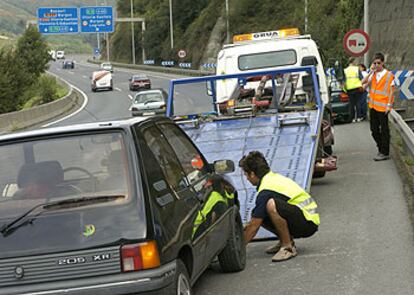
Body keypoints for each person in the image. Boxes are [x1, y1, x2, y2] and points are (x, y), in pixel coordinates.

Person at [240, 151, 320, 262]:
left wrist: (238, 249)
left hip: (308, 223)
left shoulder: (266, 190)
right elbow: (255, 220)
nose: (247, 179)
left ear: (252, 174)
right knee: (258, 211)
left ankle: (288, 247)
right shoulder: (271, 178)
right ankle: (285, 240)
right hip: (304, 217)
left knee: (271, 205)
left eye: (246, 175)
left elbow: (254, 226)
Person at [362, 52, 396, 161]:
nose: (377, 65)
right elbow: (363, 83)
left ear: (383, 63)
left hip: (383, 107)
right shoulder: (374, 74)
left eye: (378, 63)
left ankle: (384, 152)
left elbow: (391, 92)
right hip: (373, 106)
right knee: (374, 130)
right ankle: (381, 148)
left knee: (384, 130)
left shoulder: (389, 75)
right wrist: (371, 71)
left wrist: (389, 106)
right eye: (375, 63)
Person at [344, 57, 364, 122]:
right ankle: (358, 117)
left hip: (349, 88)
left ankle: (352, 118)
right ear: (353, 62)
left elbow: (344, 81)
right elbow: (361, 78)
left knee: (351, 104)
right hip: (357, 87)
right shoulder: (356, 69)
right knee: (358, 102)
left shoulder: (345, 70)